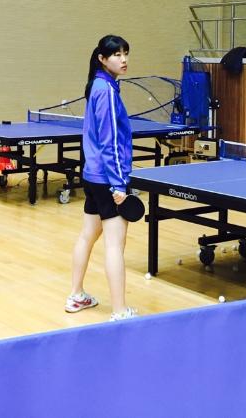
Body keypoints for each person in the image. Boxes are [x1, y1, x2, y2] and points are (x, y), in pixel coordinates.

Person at [66, 35, 137, 321]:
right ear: (102, 59)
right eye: (117, 55)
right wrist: (118, 184)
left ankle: (76, 295)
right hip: (108, 179)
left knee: (88, 235)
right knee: (114, 245)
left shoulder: (98, 85)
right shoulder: (105, 90)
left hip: (93, 175)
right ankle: (120, 311)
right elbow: (111, 142)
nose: (124, 59)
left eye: (125, 53)